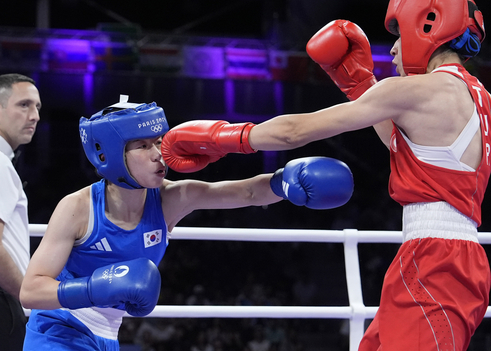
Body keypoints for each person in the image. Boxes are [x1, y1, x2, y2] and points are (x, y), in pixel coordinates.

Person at [160, 0, 491, 351]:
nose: (392, 50)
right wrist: (359, 84)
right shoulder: (490, 108)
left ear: (426, 29)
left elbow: (294, 132)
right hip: (458, 259)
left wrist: (222, 137)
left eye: (398, 38)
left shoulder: (418, 90)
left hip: (433, 261)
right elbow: (414, 152)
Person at [19, 95, 354, 351]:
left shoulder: (170, 199)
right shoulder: (77, 208)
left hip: (108, 334)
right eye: (143, 146)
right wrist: (92, 289)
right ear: (108, 154)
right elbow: (31, 290)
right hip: (57, 330)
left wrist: (285, 182)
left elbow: (248, 193)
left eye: (158, 142)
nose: (158, 154)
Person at [0, 73, 42, 350]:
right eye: (24, 105)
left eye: (38, 107)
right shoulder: (0, 164)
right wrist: (26, 296)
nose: (35, 115)